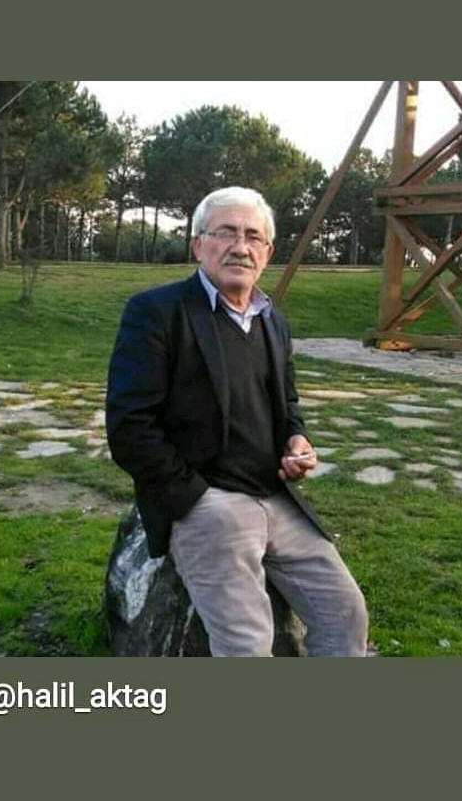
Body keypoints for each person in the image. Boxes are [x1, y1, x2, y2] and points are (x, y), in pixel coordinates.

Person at [106, 186, 368, 657]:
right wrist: (196, 499)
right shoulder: (157, 313)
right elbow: (129, 427)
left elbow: (288, 403)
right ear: (198, 244)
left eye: (252, 237)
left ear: (267, 252)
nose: (240, 247)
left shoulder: (272, 320)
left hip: (275, 498)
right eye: (225, 233)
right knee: (247, 643)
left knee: (345, 614)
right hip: (211, 503)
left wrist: (296, 440)